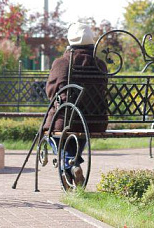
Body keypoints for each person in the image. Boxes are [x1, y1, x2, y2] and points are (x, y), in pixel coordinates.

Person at [43, 22, 108, 186]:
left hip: (67, 119)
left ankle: (70, 164)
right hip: (95, 122)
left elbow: (51, 91)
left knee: (49, 132)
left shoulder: (62, 63)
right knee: (78, 131)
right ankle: (72, 166)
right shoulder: (100, 65)